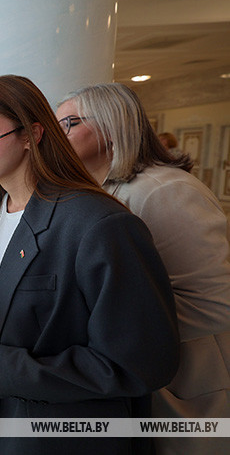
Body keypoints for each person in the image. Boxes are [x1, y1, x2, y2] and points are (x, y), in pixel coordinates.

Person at [0, 75, 179, 455]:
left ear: (31, 134)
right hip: (1, 423)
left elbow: (143, 363)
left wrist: (12, 368)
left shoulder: (101, 225)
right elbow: (24, 292)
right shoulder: (0, 208)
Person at [57, 83, 230, 455]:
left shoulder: (163, 190)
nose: (56, 135)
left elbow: (218, 302)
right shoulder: (99, 190)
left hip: (187, 385)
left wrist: (113, 331)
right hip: (137, 380)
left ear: (111, 125)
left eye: (69, 123)